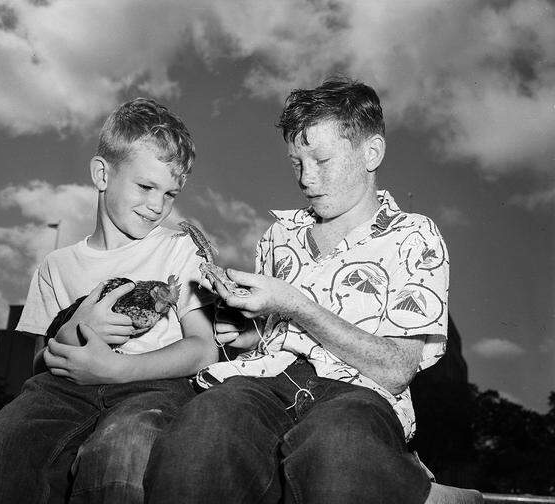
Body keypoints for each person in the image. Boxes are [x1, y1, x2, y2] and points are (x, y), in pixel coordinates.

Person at [144, 78, 450, 504]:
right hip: (267, 383)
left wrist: (296, 305)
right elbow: (270, 336)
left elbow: (397, 367)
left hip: (358, 395)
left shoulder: (414, 236)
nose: (307, 178)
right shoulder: (278, 235)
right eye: (296, 163)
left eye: (322, 159)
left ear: (371, 152)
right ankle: (409, 487)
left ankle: (413, 485)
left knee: (337, 445)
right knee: (203, 428)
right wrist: (245, 331)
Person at [0, 98, 217, 504]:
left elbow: (203, 348)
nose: (158, 206)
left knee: (124, 452)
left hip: (152, 387)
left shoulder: (179, 249)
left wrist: (118, 368)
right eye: (145, 186)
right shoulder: (56, 265)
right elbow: (37, 365)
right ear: (102, 173)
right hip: (65, 391)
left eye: (170, 193)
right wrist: (72, 331)